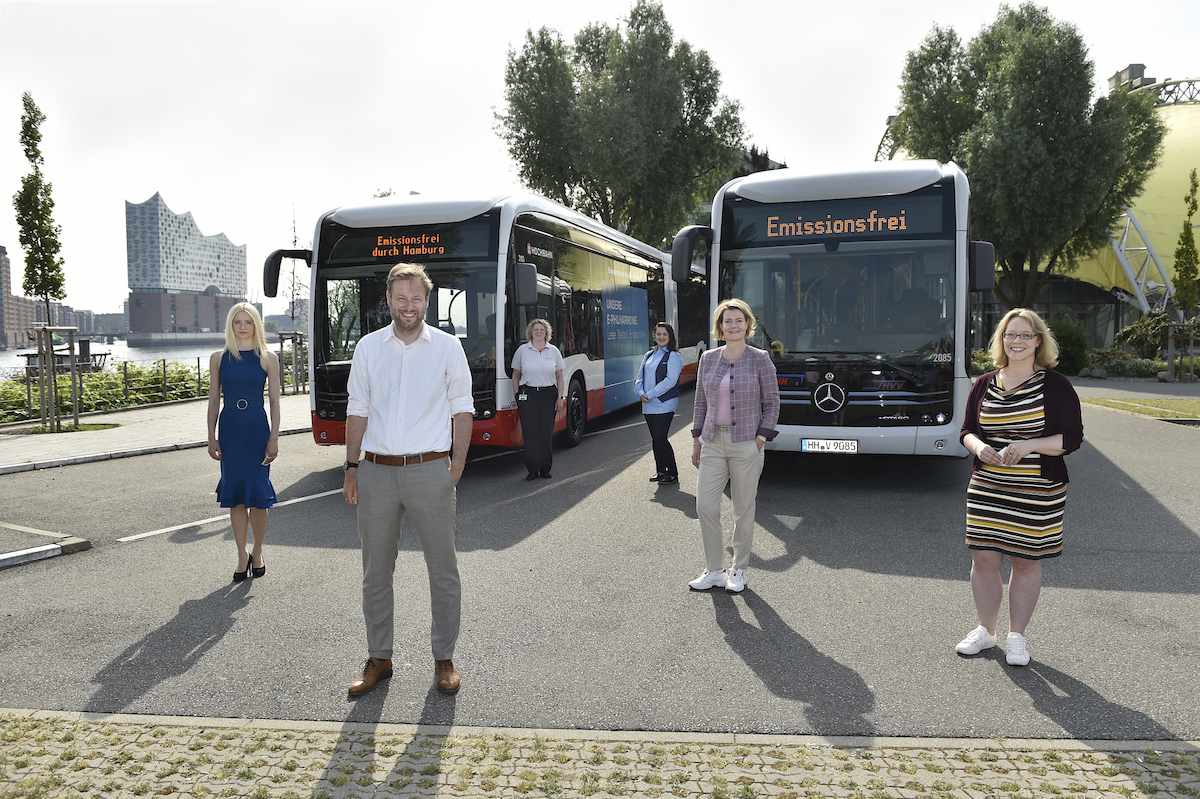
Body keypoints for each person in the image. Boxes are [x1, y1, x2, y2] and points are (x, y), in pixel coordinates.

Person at [342, 262, 475, 696]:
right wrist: (351, 466)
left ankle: (444, 658)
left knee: (443, 570)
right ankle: (380, 657)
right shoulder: (368, 348)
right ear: (388, 300)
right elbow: (357, 410)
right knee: (375, 573)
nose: (408, 305)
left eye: (416, 297)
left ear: (427, 300)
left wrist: (455, 465)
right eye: (400, 297)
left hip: (430, 469)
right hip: (377, 472)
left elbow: (462, 409)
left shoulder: (448, 347)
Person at [956, 308, 1083, 666]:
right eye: (1010, 334)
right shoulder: (983, 383)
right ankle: (986, 630)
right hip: (988, 485)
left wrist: (1029, 445)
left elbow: (1072, 438)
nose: (1017, 341)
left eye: (1025, 335)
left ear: (1038, 341)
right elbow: (966, 431)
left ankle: (1016, 638)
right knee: (983, 558)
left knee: (1026, 562)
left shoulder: (1055, 385)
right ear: (1001, 340)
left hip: (1037, 488)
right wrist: (980, 448)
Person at [689, 299, 780, 594]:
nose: (733, 325)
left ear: (748, 324)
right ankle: (715, 570)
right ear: (720, 326)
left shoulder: (760, 358)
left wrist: (761, 438)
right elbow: (700, 402)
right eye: (727, 320)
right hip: (713, 442)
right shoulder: (709, 359)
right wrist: (696, 440)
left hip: (746, 444)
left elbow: (773, 403)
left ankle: (739, 569)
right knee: (705, 505)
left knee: (742, 509)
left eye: (738, 320)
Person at [207, 302, 281, 582]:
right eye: (237, 322)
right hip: (230, 430)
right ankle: (242, 554)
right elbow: (214, 400)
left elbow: (274, 402)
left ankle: (258, 551)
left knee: (259, 497)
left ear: (255, 325)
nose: (242, 326)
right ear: (230, 325)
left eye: (247, 322)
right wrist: (211, 437)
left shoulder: (268, 358)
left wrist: (274, 437)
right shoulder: (218, 358)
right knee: (236, 496)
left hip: (256, 430)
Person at [510, 318, 565, 480]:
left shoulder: (553, 351)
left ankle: (545, 469)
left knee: (545, 433)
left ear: (546, 332)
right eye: (536, 329)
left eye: (542, 329)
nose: (539, 332)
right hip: (528, 395)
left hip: (549, 395)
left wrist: (560, 397)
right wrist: (517, 395)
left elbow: (560, 376)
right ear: (530, 332)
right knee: (530, 433)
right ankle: (532, 469)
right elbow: (515, 375)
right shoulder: (522, 350)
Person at [636, 322, 683, 484]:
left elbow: (671, 380)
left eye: (664, 334)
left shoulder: (674, 356)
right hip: (648, 403)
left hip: (665, 402)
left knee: (660, 437)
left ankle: (673, 473)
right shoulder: (648, 355)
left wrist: (650, 394)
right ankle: (661, 471)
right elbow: (639, 377)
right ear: (654, 336)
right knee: (655, 439)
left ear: (670, 336)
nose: (661, 337)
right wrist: (640, 393)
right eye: (658, 334)